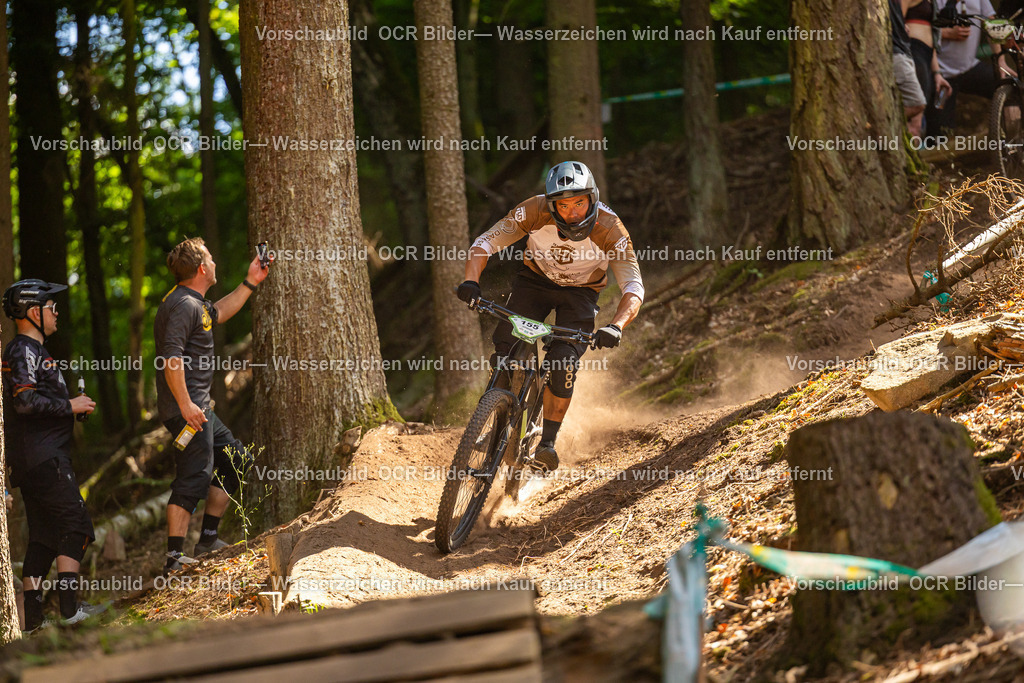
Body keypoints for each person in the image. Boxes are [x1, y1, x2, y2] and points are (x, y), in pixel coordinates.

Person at [457, 160, 644, 473]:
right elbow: (484, 243)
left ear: (593, 199)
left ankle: (546, 443)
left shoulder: (611, 229)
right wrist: (471, 281)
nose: (572, 213)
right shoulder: (533, 211)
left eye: (580, 204)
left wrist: (616, 326)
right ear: (551, 205)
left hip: (581, 294)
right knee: (505, 345)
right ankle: (496, 417)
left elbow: (634, 286)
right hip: (535, 282)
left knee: (562, 363)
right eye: (564, 205)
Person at [155, 238, 270, 572]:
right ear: (202, 268)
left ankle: (207, 539)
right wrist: (187, 405)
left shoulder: (195, 304)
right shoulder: (182, 306)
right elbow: (170, 359)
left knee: (237, 461)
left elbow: (218, 312)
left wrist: (251, 282)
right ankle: (173, 560)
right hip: (187, 411)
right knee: (194, 477)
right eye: (211, 257)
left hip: (201, 410)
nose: (215, 262)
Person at [1, 279, 103, 630]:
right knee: (77, 526)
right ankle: (71, 611)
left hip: (36, 458)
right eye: (51, 307)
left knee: (44, 537)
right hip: (43, 459)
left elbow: (36, 404)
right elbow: (24, 402)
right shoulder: (22, 349)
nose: (57, 313)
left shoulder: (33, 351)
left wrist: (70, 410)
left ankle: (32, 622)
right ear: (33, 312)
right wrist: (68, 404)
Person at [928, 0, 1009, 139]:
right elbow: (918, 28)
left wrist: (1001, 60)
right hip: (941, 74)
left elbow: (992, 22)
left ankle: (1011, 139)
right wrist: (947, 32)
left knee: (1008, 84)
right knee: (940, 131)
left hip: (970, 67)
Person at [904, 0, 953, 138]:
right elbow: (897, 22)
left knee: (919, 120)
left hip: (926, 54)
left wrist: (937, 73)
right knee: (915, 120)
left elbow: (932, 37)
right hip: (914, 51)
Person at [892, 0, 930, 137]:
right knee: (916, 109)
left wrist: (937, 72)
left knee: (918, 119)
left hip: (914, 52)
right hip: (909, 51)